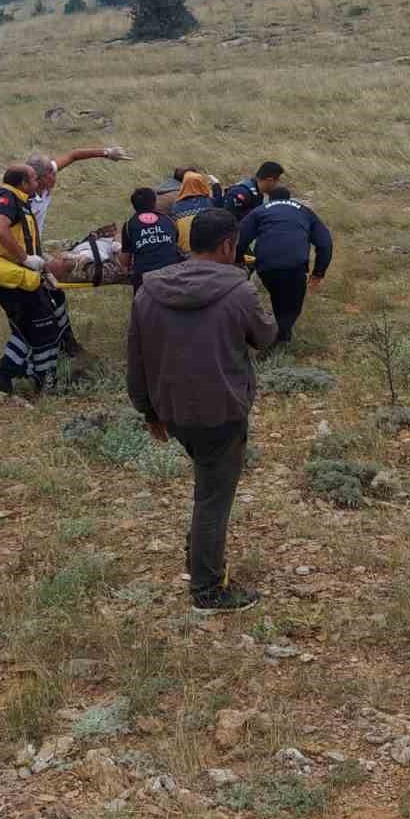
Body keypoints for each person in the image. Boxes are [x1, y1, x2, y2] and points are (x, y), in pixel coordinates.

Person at [127, 208, 277, 613]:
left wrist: (148, 411)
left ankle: (199, 555)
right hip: (222, 410)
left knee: (206, 482)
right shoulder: (240, 291)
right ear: (229, 245)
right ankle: (208, 590)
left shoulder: (147, 290)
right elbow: (265, 337)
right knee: (214, 497)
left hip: (173, 411)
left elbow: (136, 358)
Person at [27, 145, 132, 359]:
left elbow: (73, 155)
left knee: (54, 295)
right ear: (38, 179)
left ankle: (67, 345)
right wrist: (25, 258)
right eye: (51, 176)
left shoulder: (44, 178)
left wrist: (107, 153)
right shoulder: (22, 200)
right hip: (24, 253)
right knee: (43, 301)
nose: (55, 178)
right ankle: (52, 351)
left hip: (36, 248)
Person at [0, 164, 61, 395]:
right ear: (23, 183)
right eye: (35, 179)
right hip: (13, 276)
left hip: (18, 275)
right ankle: (43, 381)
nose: (39, 183)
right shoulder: (7, 199)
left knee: (28, 327)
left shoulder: (16, 198)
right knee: (44, 325)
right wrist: (25, 258)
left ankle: (11, 373)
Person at [236, 185, 332, 345]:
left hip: (266, 266)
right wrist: (318, 273)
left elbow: (239, 239)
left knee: (279, 297)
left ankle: (278, 335)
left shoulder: (259, 211)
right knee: (291, 304)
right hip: (295, 266)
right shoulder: (304, 211)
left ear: (270, 199)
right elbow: (325, 243)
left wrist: (243, 263)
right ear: (289, 198)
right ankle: (280, 338)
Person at [120, 188, 181, 291]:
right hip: (172, 276)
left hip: (145, 280)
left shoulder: (129, 225)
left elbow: (125, 261)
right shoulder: (168, 220)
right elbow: (175, 244)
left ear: (134, 205)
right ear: (155, 203)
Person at [170, 171, 223, 250]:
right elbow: (219, 202)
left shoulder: (175, 207)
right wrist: (216, 184)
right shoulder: (209, 202)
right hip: (208, 252)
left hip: (184, 253)